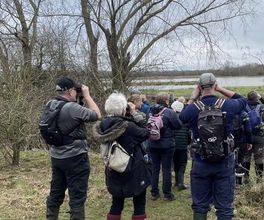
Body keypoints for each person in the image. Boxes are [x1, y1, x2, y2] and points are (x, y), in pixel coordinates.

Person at [179, 73, 247, 220]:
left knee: (200, 205)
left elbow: (181, 117)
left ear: (199, 88)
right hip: (225, 162)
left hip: (201, 162)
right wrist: (221, 89)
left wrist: (192, 97)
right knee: (224, 207)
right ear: (215, 86)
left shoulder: (192, 109)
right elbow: (243, 100)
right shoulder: (228, 105)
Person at [46, 76, 101, 220]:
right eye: (76, 91)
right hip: (75, 157)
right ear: (70, 91)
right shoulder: (72, 108)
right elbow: (97, 114)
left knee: (55, 193)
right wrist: (87, 96)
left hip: (57, 156)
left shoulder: (50, 104)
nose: (77, 94)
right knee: (77, 196)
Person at [93, 92, 150, 220]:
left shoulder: (102, 125)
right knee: (139, 202)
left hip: (113, 168)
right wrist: (135, 114)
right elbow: (146, 133)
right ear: (124, 110)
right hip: (133, 168)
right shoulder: (128, 126)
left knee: (117, 202)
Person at [147, 92, 182, 201]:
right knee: (166, 169)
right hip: (167, 145)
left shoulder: (149, 111)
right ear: (167, 101)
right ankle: (167, 194)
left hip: (152, 143)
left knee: (155, 168)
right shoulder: (169, 112)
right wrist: (175, 115)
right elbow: (178, 126)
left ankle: (154, 192)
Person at [243, 90, 264, 184]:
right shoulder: (261, 108)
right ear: (256, 98)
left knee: (246, 157)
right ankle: (259, 179)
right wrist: (261, 97)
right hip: (259, 136)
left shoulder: (244, 107)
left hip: (246, 136)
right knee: (259, 157)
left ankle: (246, 177)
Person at [171, 100, 191, 191]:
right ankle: (181, 183)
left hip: (173, 144)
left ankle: (176, 181)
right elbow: (189, 133)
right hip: (183, 145)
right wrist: (188, 143)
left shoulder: (172, 118)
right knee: (183, 163)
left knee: (175, 162)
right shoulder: (185, 119)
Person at [233, 110, 253, 187]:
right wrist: (250, 141)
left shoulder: (228, 112)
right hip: (242, 141)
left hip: (230, 141)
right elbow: (248, 129)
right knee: (240, 160)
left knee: (230, 160)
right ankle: (239, 182)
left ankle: (230, 181)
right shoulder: (244, 114)